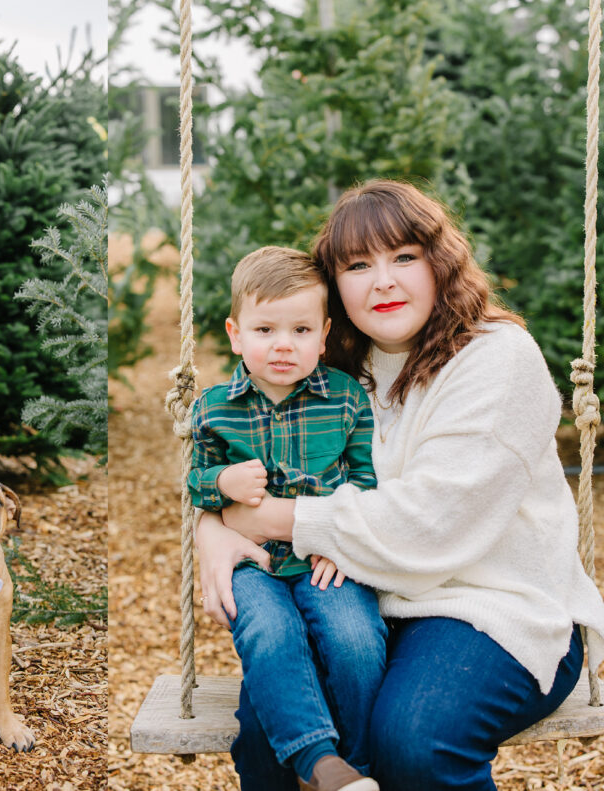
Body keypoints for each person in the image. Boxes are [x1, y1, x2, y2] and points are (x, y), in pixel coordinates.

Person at [196, 179, 604, 791]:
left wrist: (266, 520)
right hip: (361, 601)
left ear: (440, 264)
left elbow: (432, 519)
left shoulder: (497, 357)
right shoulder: (326, 376)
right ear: (335, 289)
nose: (382, 280)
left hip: (491, 607)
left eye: (404, 257)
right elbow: (238, 447)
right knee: (268, 735)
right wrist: (212, 524)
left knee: (414, 736)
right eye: (359, 265)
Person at [188, 246, 384, 791]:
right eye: (265, 328)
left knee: (356, 638)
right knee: (272, 633)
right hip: (252, 564)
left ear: (324, 336)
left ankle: (361, 767)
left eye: (300, 330)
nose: (282, 344)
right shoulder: (212, 407)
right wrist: (222, 483)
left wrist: (339, 537)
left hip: (325, 559)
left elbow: (366, 479)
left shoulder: (346, 400)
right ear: (235, 333)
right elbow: (194, 482)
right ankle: (320, 761)